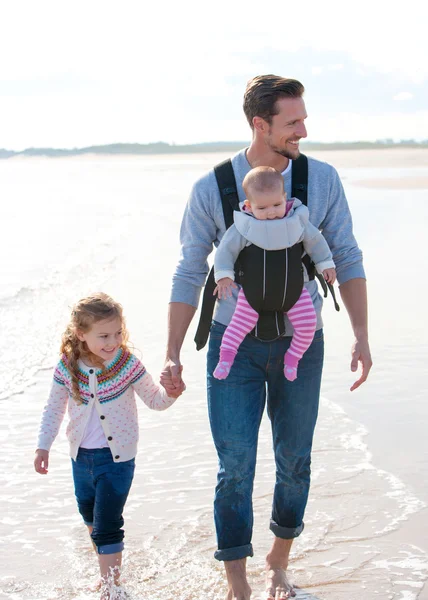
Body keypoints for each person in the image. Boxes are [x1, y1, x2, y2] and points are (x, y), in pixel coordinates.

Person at [161, 75, 372, 600]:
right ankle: (236, 577)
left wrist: (362, 333)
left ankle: (279, 559)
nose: (304, 128)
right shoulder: (213, 187)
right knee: (234, 465)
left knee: (295, 459)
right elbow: (190, 271)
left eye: (303, 117)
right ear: (261, 125)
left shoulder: (321, 180)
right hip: (235, 345)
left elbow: (345, 255)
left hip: (302, 340)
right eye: (293, 121)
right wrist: (171, 353)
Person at [34, 292, 176, 600]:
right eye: (103, 336)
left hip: (118, 460)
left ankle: (113, 587)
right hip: (80, 458)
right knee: (90, 516)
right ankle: (106, 574)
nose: (112, 341)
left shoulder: (127, 364)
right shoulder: (68, 367)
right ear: (81, 335)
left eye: (117, 333)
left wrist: (172, 393)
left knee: (108, 522)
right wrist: (43, 446)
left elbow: (155, 400)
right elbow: (53, 408)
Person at [212, 165, 336, 382]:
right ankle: (226, 358)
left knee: (308, 324)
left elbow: (316, 242)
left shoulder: (297, 222)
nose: (271, 213)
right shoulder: (244, 226)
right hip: (253, 295)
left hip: (294, 292)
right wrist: (223, 276)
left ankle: (293, 358)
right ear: (249, 206)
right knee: (237, 327)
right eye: (262, 208)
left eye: (277, 205)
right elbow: (226, 250)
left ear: (285, 197)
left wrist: (326, 264)